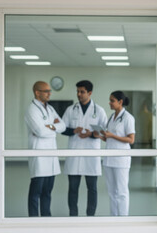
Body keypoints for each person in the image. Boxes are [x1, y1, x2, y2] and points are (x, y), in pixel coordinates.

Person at [61, 80, 107, 216]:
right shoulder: (71, 109)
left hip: (91, 154)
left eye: (82, 92)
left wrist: (91, 134)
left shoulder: (99, 111)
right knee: (73, 188)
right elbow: (62, 128)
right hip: (74, 153)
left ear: (90, 93)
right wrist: (74, 130)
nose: (79, 94)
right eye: (77, 91)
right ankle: (73, 215)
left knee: (92, 188)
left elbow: (104, 132)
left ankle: (90, 216)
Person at [25, 81, 66, 217]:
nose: (49, 93)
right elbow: (40, 131)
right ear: (37, 93)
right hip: (40, 156)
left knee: (47, 192)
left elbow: (63, 126)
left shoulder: (50, 108)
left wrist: (50, 127)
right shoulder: (32, 109)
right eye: (46, 91)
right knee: (35, 193)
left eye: (50, 91)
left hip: (51, 156)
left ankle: (46, 219)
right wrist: (53, 127)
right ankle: (33, 220)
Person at [94, 91, 135, 216]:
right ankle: (114, 217)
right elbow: (108, 138)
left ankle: (123, 218)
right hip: (109, 159)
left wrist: (112, 135)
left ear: (120, 102)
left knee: (121, 192)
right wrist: (99, 136)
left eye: (112, 100)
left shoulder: (128, 118)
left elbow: (131, 139)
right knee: (111, 191)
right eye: (110, 100)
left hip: (121, 159)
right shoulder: (111, 117)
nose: (109, 103)